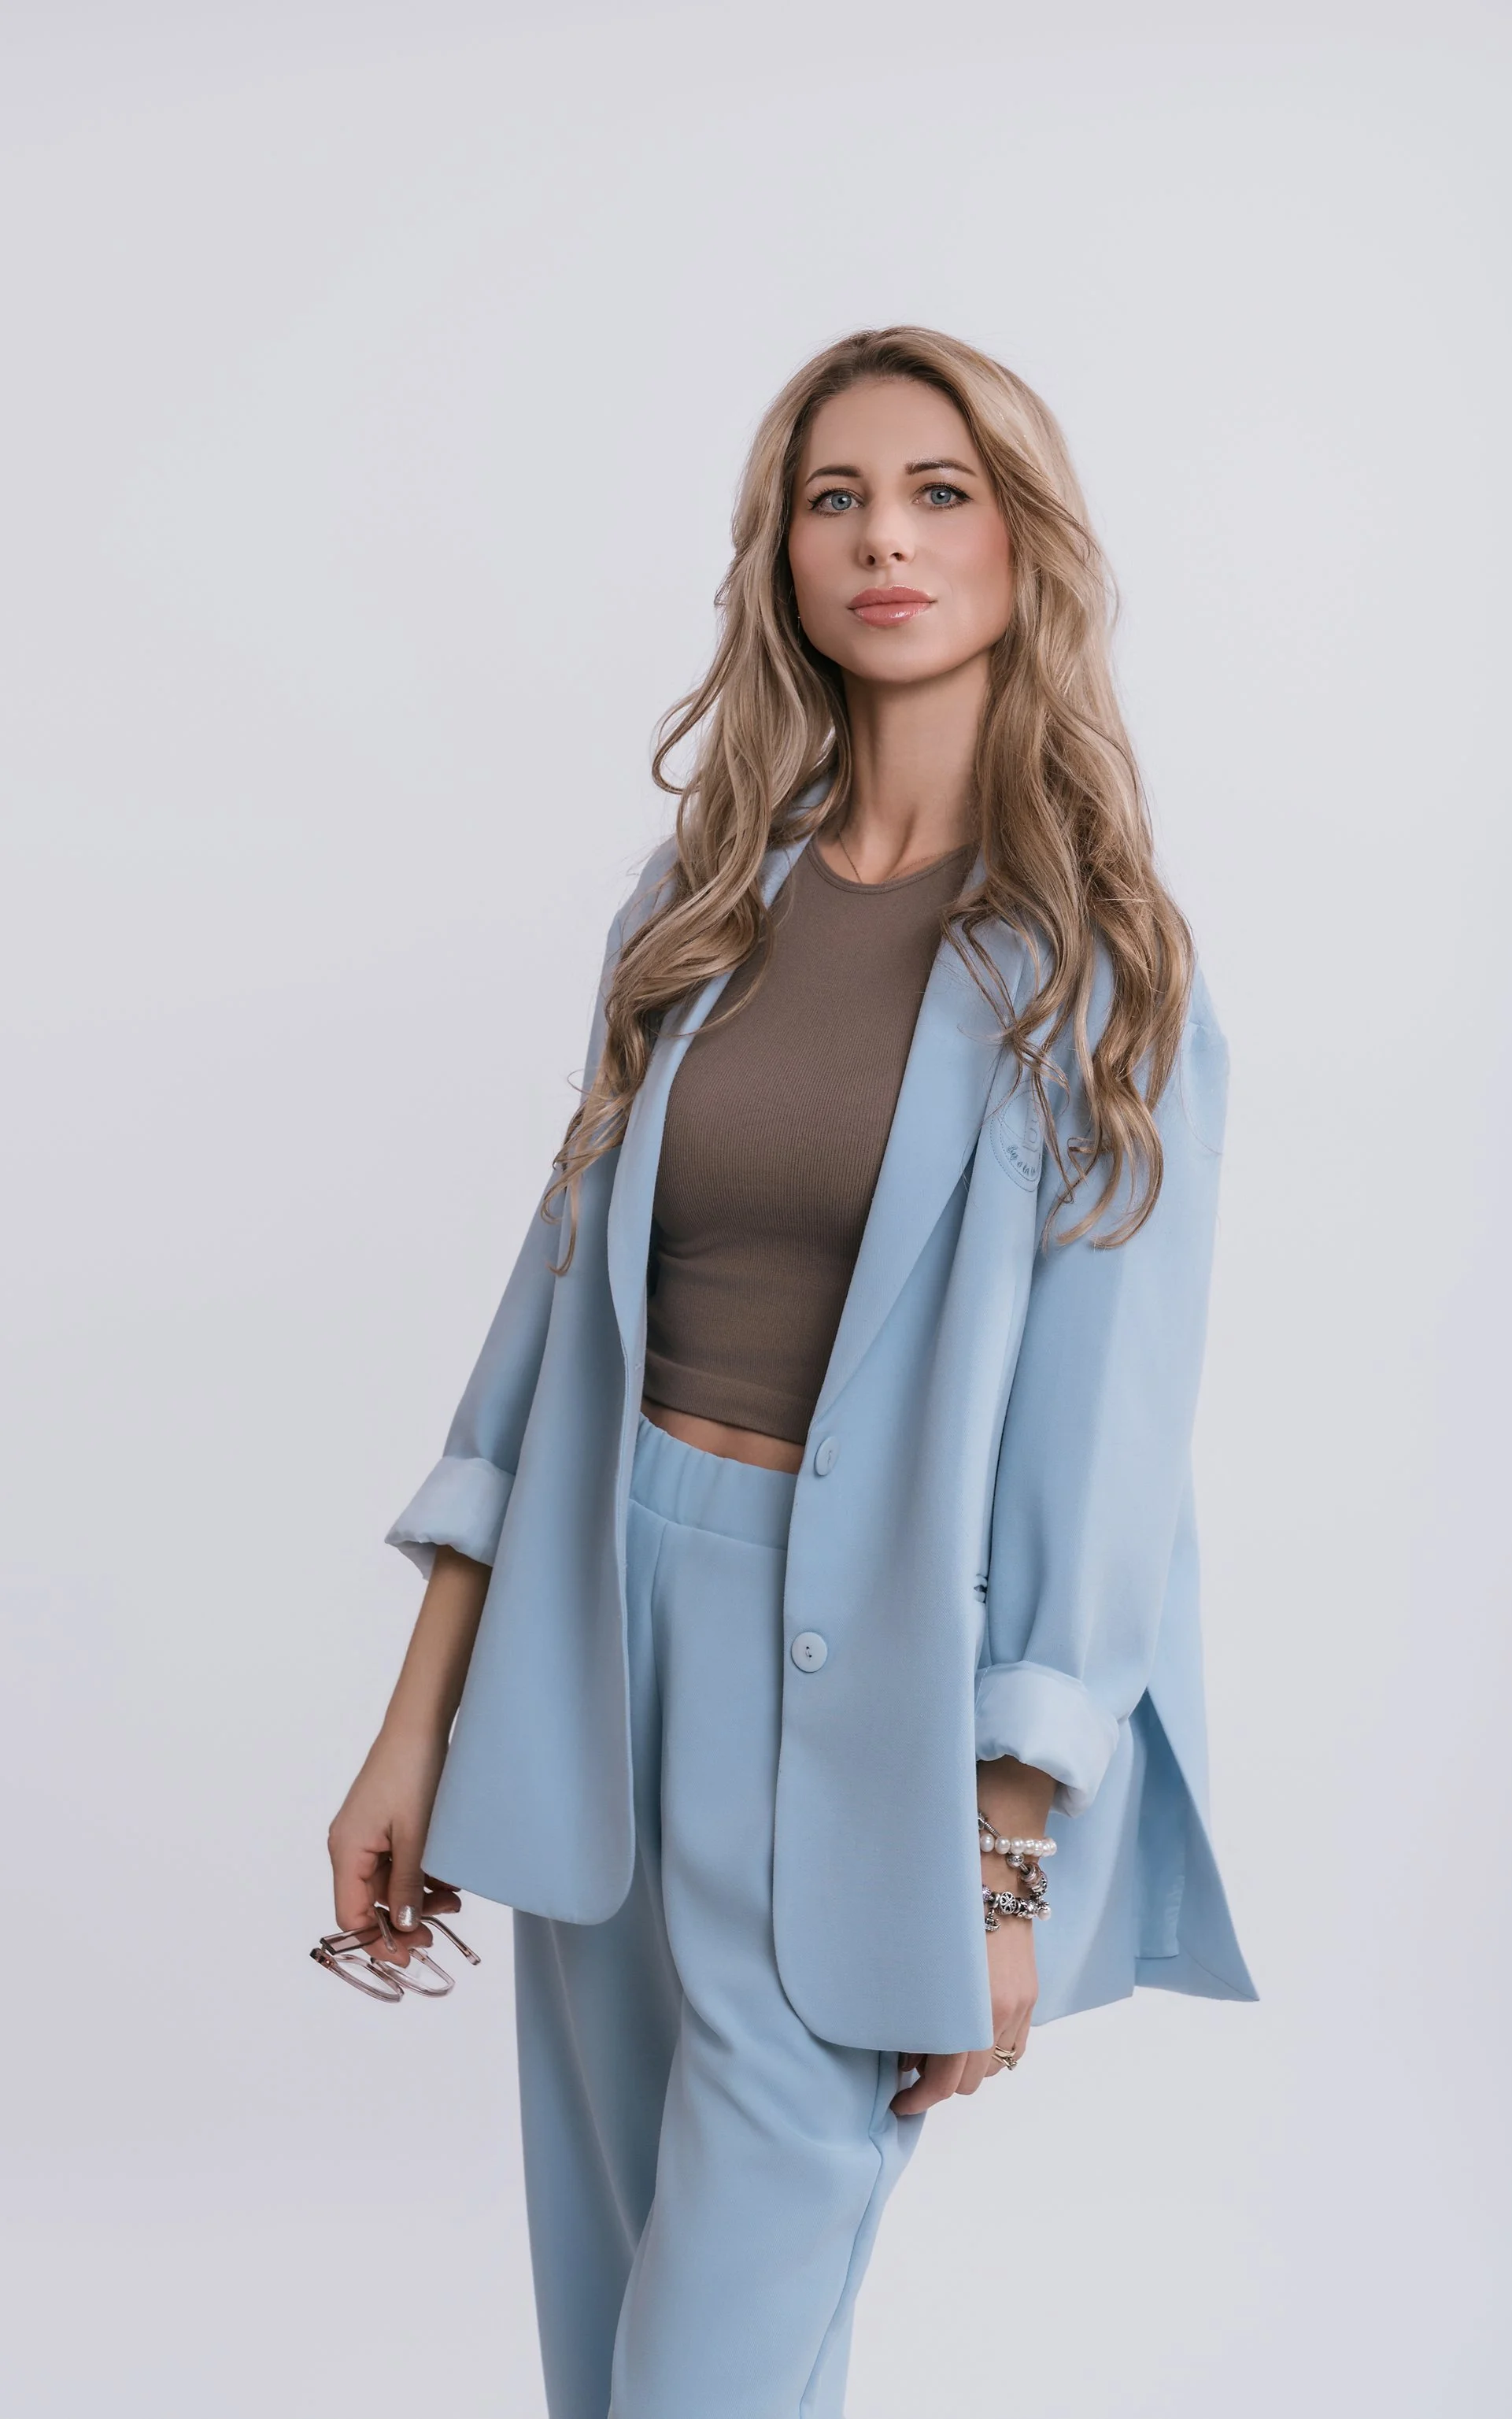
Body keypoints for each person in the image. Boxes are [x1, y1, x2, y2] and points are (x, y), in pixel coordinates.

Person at [326, 324, 1254, 2419]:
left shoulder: (1105, 982)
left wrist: (1002, 1863)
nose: (884, 539)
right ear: (782, 555)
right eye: (837, 496)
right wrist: (416, 1728)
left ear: (1028, 546)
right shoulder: (701, 904)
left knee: (713, 2370)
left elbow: (1099, 1474)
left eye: (939, 491)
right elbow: (545, 1325)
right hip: (595, 1631)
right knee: (611, 2336)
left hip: (865, 1704)